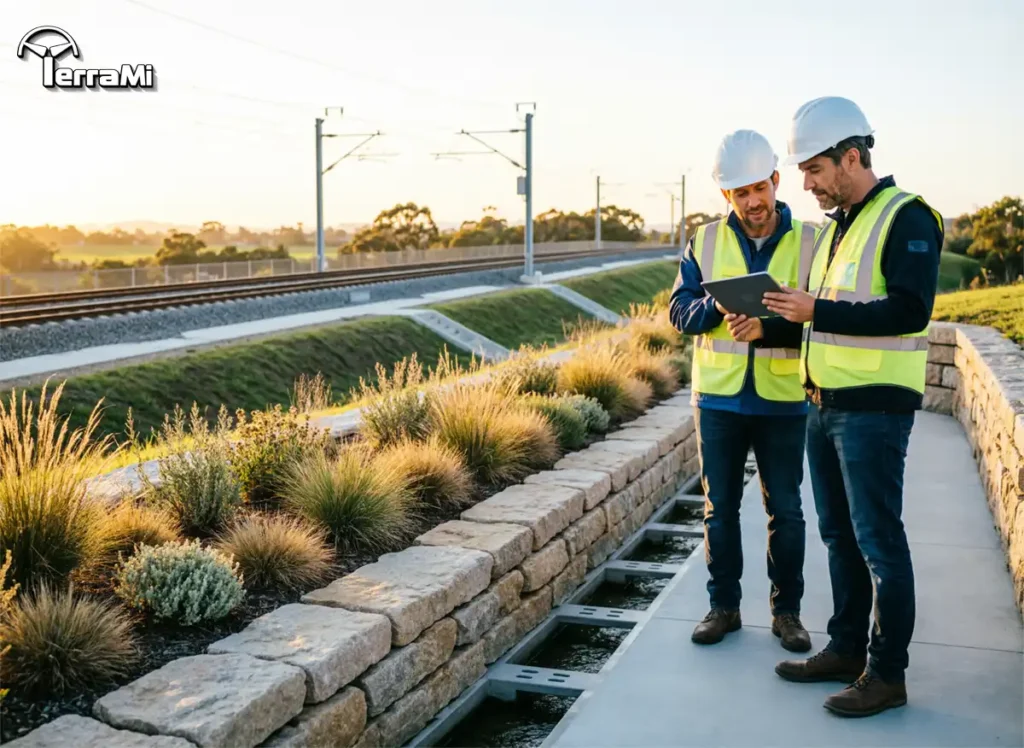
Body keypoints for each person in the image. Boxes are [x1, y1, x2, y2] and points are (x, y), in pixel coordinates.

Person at [764, 96, 943, 717]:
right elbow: (826, 325)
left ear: (852, 156)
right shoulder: (838, 227)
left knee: (877, 542)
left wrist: (817, 310)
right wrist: (775, 325)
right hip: (823, 405)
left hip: (874, 411)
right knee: (839, 535)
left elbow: (908, 310)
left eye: (814, 170)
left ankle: (886, 673)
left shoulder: (907, 217)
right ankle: (844, 650)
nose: (806, 184)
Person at [668, 129, 817, 652]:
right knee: (719, 509)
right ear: (727, 196)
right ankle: (723, 608)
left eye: (759, 188)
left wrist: (769, 323)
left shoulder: (814, 241)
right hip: (719, 401)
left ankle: (788, 614)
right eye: (740, 193)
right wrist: (718, 309)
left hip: (783, 399)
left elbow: (825, 321)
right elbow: (679, 312)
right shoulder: (703, 242)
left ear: (776, 181)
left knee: (788, 512)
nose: (752, 201)